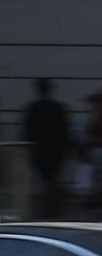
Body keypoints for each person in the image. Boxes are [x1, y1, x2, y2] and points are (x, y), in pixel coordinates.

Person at [21, 78, 69, 218]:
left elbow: (28, 131)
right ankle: (51, 206)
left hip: (39, 148)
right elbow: (64, 130)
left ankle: (45, 206)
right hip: (55, 148)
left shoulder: (33, 108)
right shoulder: (58, 108)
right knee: (52, 178)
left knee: (43, 179)